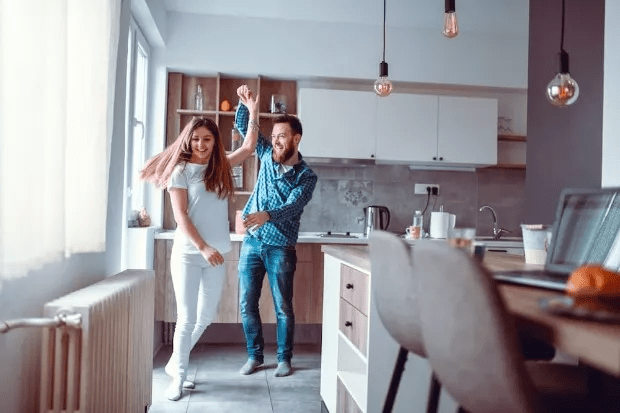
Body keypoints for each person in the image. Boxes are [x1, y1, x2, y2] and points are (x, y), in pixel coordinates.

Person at [140, 86, 260, 401]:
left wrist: (250, 108)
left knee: (206, 315)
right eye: (196, 139)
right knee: (187, 317)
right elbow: (180, 216)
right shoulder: (179, 171)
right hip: (189, 254)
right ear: (188, 140)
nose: (202, 144)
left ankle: (173, 363)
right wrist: (203, 247)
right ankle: (178, 377)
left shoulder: (219, 167)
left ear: (214, 142)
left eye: (207, 139)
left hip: (218, 254)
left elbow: (248, 147)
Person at [234, 85, 318, 378]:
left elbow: (295, 206)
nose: (277, 141)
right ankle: (254, 356)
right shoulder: (266, 156)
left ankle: (284, 359)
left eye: (282, 137)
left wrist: (267, 215)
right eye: (274, 137)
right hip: (252, 244)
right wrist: (245, 104)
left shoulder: (307, 176)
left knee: (283, 307)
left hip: (281, 246)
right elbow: (244, 127)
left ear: (296, 138)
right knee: (246, 302)